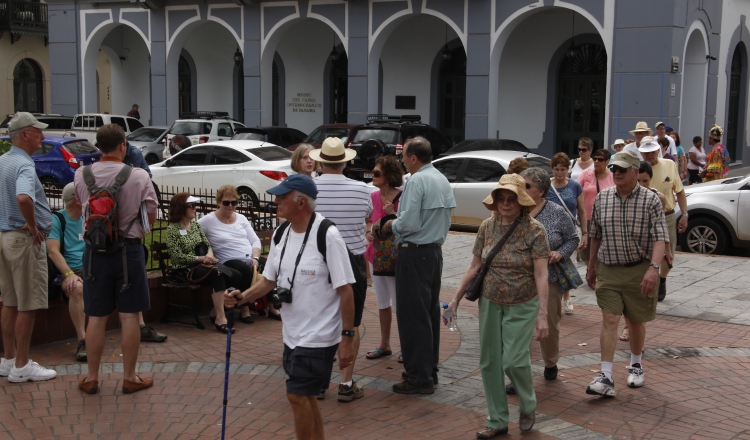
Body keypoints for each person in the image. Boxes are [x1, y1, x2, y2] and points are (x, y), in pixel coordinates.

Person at [225, 174, 355, 440]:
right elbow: (268, 281)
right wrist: (243, 297)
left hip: (319, 335)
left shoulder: (327, 235)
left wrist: (347, 337)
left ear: (302, 202)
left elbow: (346, 290)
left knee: (296, 394)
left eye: (283, 197)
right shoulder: (281, 233)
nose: (276, 201)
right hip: (292, 333)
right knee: (304, 397)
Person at [445, 174, 549, 438]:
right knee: (490, 361)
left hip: (523, 303)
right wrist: (455, 299)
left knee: (514, 360)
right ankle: (497, 419)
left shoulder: (535, 230)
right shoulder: (487, 227)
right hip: (490, 301)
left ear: (521, 202)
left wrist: (543, 315)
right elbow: (474, 265)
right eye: (501, 198)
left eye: (511, 199)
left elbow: (541, 274)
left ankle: (527, 404)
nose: (505, 203)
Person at [74, 123, 158, 395]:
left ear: (98, 147)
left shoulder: (81, 174)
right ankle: (130, 377)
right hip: (128, 252)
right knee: (130, 316)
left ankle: (92, 377)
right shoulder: (138, 176)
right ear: (123, 145)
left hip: (94, 254)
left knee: (95, 317)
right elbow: (152, 215)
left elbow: (80, 208)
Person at [585, 150, 669, 397]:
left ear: (635, 171)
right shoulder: (603, 199)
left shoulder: (651, 200)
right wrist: (591, 267)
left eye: (622, 169)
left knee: (634, 321)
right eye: (614, 169)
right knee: (610, 319)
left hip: (639, 269)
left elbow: (660, 238)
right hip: (609, 269)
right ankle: (606, 376)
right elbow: (595, 235)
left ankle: (636, 364)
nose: (617, 173)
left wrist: (654, 269)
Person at [381, 136, 456, 394]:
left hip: (414, 253)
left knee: (413, 317)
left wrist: (390, 224)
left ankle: (419, 377)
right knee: (428, 314)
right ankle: (427, 371)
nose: (402, 161)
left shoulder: (417, 180)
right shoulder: (442, 179)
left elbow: (409, 223)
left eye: (404, 157)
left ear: (413, 158)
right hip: (434, 254)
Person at [310, 137, 372, 402]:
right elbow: (366, 219)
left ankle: (319, 382)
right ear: (345, 163)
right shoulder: (362, 189)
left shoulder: (309, 188)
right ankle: (346, 383)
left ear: (321, 161)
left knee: (318, 320)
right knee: (353, 322)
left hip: (317, 259)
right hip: (351, 260)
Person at [0, 112, 57, 383]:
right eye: (38, 131)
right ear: (24, 134)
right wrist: (32, 225)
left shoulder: (2, 161)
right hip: (23, 241)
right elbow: (23, 197)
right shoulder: (24, 165)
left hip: (5, 238)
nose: (42, 137)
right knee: (27, 304)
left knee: (10, 301)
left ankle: (9, 359)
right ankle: (22, 365)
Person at [521, 168, 579, 384]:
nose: (522, 189)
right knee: (519, 326)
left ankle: (550, 362)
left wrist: (559, 253)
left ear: (541, 190)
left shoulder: (556, 212)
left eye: (527, 186)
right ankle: (519, 371)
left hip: (550, 278)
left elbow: (572, 238)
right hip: (519, 279)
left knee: (550, 324)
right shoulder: (514, 209)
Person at [165, 192, 242, 334]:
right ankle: (221, 318)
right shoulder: (172, 230)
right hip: (185, 270)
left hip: (203, 265)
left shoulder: (195, 225)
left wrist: (209, 254)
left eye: (195, 205)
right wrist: (201, 259)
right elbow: (177, 257)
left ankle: (214, 311)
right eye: (192, 206)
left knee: (235, 274)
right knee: (217, 273)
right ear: (181, 208)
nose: (195, 208)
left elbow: (208, 245)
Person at [198, 185, 264, 324]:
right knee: (244, 269)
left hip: (249, 258)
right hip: (227, 260)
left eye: (234, 203)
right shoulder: (209, 220)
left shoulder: (241, 218)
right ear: (218, 202)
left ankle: (272, 306)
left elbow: (255, 241)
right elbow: (192, 231)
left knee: (270, 264)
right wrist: (207, 251)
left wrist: (256, 258)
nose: (230, 206)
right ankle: (244, 307)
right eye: (226, 203)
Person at [639, 137, 688, 302]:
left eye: (652, 152)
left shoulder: (669, 165)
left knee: (669, 254)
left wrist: (685, 214)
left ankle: (662, 278)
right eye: (646, 153)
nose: (650, 155)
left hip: (666, 214)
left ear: (658, 150)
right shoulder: (637, 168)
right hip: (644, 216)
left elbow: (679, 191)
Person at [363, 155, 403, 360]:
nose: (373, 175)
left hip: (397, 258)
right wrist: (368, 232)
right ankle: (384, 344)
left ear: (388, 176)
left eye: (377, 173)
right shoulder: (373, 197)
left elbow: (407, 227)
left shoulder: (402, 197)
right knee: (382, 302)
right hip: (376, 256)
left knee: (400, 303)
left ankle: (406, 345)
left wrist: (392, 214)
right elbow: (369, 221)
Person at [546, 152, 586, 314]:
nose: (560, 173)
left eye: (563, 169)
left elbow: (582, 211)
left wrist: (585, 233)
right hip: (551, 230)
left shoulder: (574, 186)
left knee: (569, 262)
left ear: (568, 170)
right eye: (556, 169)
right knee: (551, 262)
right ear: (552, 169)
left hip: (570, 231)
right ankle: (552, 295)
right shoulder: (547, 185)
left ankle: (567, 296)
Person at [576, 149, 614, 265]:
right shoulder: (586, 174)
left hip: (605, 219)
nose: (596, 161)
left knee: (603, 247)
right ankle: (590, 269)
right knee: (586, 250)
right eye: (595, 158)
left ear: (607, 161)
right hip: (587, 218)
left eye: (600, 159)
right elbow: (576, 191)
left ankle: (599, 272)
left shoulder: (612, 177)